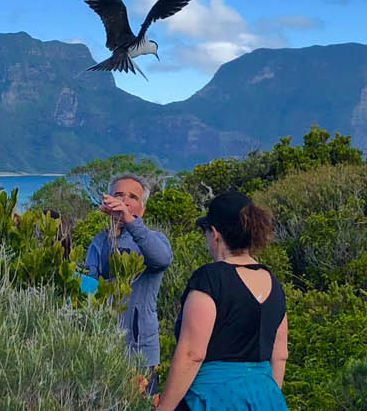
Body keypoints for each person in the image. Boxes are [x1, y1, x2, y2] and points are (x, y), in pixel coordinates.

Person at [157, 191, 288, 411]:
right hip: (266, 396)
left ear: (215, 233)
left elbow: (192, 354)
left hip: (213, 398)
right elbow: (280, 354)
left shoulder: (210, 279)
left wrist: (164, 408)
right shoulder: (274, 284)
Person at [80, 174, 173, 398]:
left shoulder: (154, 239)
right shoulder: (99, 241)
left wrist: (131, 222)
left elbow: (161, 260)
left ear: (143, 207)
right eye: (119, 195)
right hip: (103, 349)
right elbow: (88, 290)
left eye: (133, 197)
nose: (125, 201)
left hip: (141, 354)